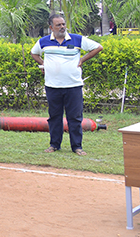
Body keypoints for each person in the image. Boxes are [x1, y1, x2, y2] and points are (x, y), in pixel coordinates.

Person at [31, 14, 103, 155]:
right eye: (58, 25)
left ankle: (77, 147)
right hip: (52, 86)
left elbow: (98, 47)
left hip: (73, 85)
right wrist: (43, 64)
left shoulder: (77, 39)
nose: (62, 27)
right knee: (54, 117)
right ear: (51, 27)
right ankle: (54, 145)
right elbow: (34, 53)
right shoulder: (43, 41)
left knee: (75, 117)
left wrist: (82, 59)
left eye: (63, 24)